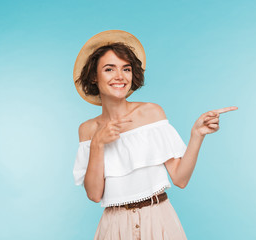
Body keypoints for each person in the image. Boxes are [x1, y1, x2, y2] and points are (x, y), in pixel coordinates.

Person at [72, 30, 238, 240]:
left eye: (126, 69)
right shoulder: (87, 129)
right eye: (109, 69)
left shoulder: (151, 113)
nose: (120, 76)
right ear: (94, 76)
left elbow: (180, 178)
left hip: (159, 218)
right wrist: (97, 143)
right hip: (114, 227)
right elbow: (94, 195)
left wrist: (197, 135)